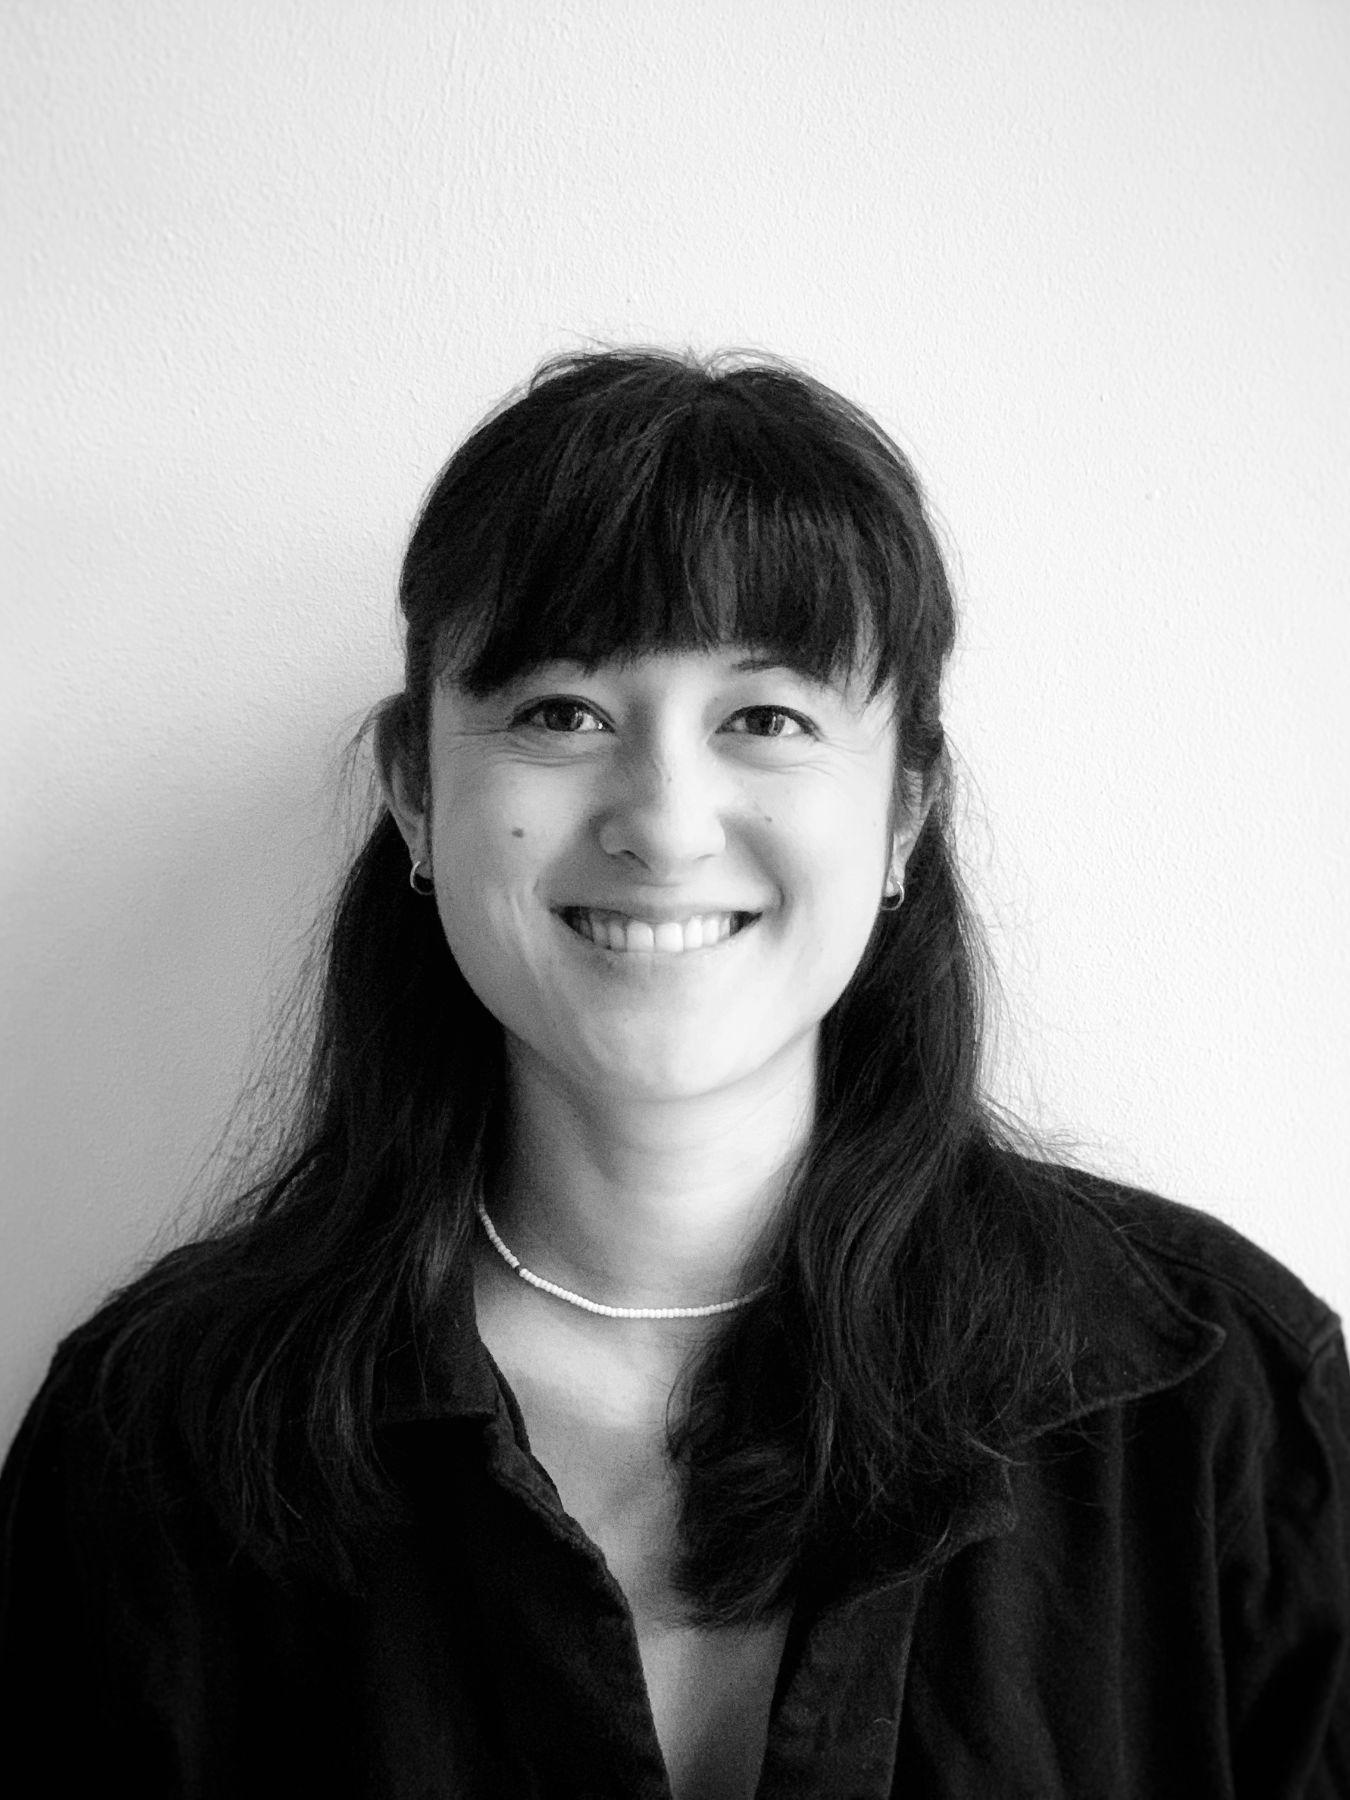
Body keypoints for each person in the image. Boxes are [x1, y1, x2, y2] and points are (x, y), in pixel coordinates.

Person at [1, 349, 1347, 1800]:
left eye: (763, 718)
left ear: (904, 811)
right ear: (413, 790)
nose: (663, 820)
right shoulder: (159, 1447)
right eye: (560, 711)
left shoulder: (1220, 1402)